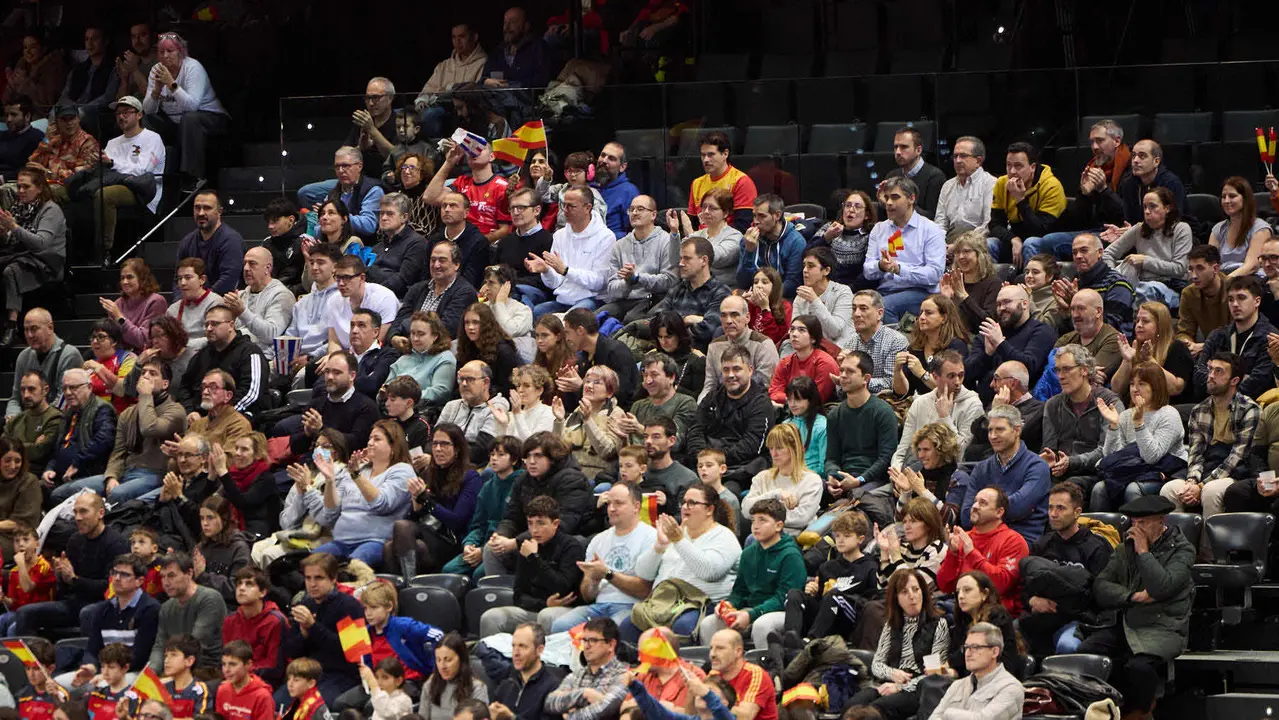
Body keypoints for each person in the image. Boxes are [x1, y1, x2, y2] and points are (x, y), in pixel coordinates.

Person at [1080, 495, 1192, 720]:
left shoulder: (1182, 550)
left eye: (1142, 523)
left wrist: (1143, 552)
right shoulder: (1124, 548)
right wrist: (1132, 596)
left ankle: (1140, 713)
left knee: (1138, 668)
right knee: (1087, 654)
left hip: (1163, 626)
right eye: (1133, 523)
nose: (1135, 529)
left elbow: (1162, 587)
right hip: (1126, 621)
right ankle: (1101, 710)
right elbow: (1101, 587)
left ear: (1161, 521)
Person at [52, 358, 184, 504]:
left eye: (152, 373)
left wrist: (146, 395)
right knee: (61, 493)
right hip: (126, 472)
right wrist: (111, 477)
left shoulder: (175, 411)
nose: (145, 376)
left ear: (165, 384)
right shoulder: (128, 413)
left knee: (116, 494)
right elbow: (118, 452)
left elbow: (149, 428)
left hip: (154, 473)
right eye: (143, 373)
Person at [622, 483, 741, 642]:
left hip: (700, 604)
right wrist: (660, 546)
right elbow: (643, 573)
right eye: (684, 502)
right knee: (628, 625)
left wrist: (678, 540)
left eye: (692, 503)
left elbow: (709, 572)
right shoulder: (675, 533)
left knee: (682, 627)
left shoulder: (723, 537)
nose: (685, 507)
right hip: (663, 602)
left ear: (709, 509)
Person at [1018, 482, 1114, 658]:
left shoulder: (1096, 548)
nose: (1053, 514)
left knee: (1067, 646)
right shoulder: (1042, 544)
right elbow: (1023, 586)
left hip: (1078, 619)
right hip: (1040, 618)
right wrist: (1031, 600)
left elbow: (1103, 596)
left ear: (1077, 512)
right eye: (1050, 508)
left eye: (1061, 508)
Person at [1161, 353, 1260, 517]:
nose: (1211, 376)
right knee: (1169, 490)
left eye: (1219, 371)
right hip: (1206, 469)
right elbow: (1196, 453)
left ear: (1234, 380)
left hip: (1236, 472)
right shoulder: (1199, 410)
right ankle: (1178, 542)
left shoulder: (1250, 410)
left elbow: (1237, 457)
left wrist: (1200, 487)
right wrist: (1192, 481)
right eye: (1211, 369)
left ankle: (1210, 543)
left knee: (1210, 491)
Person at [698, 497, 805, 647]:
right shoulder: (748, 553)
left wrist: (751, 614)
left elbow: (784, 598)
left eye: (762, 520)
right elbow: (739, 591)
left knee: (762, 625)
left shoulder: (790, 555)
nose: (755, 526)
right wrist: (728, 604)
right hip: (751, 609)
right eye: (753, 520)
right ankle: (716, 668)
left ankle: (770, 667)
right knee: (709, 623)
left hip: (782, 612)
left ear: (778, 526)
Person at [483, 432, 593, 574]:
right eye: (528, 456)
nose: (531, 461)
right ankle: (501, 593)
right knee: (491, 549)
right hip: (531, 536)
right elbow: (511, 517)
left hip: (565, 539)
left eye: (538, 456)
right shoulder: (523, 479)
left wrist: (516, 542)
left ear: (552, 458)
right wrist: (500, 537)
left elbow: (564, 524)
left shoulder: (572, 479)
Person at [846, 568, 948, 720]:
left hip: (917, 689)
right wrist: (892, 673)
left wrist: (900, 687)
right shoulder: (891, 625)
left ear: (923, 593)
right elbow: (877, 664)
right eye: (904, 592)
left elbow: (935, 675)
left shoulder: (939, 624)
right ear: (896, 598)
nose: (912, 596)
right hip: (888, 683)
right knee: (852, 706)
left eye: (916, 590)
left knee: (874, 711)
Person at [1023, 119, 1131, 261]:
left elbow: (1126, 214)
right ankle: (1039, 282)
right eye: (1092, 142)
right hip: (1094, 230)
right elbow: (1080, 219)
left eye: (1100, 141)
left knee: (1049, 241)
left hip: (1118, 232)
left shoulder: (1130, 169)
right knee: (1032, 242)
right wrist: (1084, 194)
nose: (1095, 147)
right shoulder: (1093, 167)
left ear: (1117, 141)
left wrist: (1104, 190)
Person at [479, 494, 586, 635]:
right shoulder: (527, 546)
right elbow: (518, 596)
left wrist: (534, 558)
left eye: (540, 523)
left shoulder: (571, 546)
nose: (534, 530)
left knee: (547, 616)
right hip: (538, 608)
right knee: (491, 617)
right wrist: (544, 604)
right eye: (530, 523)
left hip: (566, 610)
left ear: (555, 524)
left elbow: (562, 587)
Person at [312, 419, 413, 566]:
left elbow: (381, 504)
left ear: (393, 445)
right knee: (311, 566)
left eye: (377, 439)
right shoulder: (360, 470)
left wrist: (356, 476)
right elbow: (331, 514)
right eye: (370, 438)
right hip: (341, 542)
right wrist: (330, 480)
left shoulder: (402, 470)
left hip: (375, 542)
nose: (370, 442)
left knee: (353, 568)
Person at [387, 423, 482, 579]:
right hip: (427, 533)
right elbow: (414, 518)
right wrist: (416, 502)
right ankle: (403, 590)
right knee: (390, 546)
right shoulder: (428, 474)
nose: (438, 449)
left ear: (457, 449)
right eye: (435, 444)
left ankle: (408, 585)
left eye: (444, 444)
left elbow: (457, 521)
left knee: (403, 530)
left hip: (452, 541)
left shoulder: (471, 478)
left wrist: (425, 499)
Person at [1094, 361, 1188, 511]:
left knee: (1133, 489)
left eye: (1142, 384)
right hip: (1133, 470)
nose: (1135, 389)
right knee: (1099, 489)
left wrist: (1139, 424)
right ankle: (1103, 533)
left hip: (1163, 472)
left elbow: (1152, 457)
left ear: (1156, 387)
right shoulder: (1125, 415)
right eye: (1132, 384)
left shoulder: (1168, 414)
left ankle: (1140, 532)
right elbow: (1112, 457)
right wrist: (1113, 426)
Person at [82, 96, 165, 260]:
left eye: (127, 112)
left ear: (139, 115)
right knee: (85, 190)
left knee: (105, 195)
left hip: (143, 190)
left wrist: (112, 163)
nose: (121, 117)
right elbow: (108, 171)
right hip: (118, 183)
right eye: (118, 113)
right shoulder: (113, 142)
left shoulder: (152, 138)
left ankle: (103, 251)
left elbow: (142, 171)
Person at [140, 32, 228, 186]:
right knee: (146, 120)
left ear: (180, 52)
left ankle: (192, 177)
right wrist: (156, 91)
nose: (165, 56)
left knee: (190, 118)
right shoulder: (156, 70)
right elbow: (148, 110)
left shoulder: (193, 67)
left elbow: (192, 106)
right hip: (176, 122)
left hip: (210, 117)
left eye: (170, 51)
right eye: (161, 52)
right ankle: (148, 172)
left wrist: (171, 84)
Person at [279, 553, 367, 704]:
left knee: (310, 708)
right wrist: (303, 634)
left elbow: (354, 654)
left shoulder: (349, 606)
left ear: (333, 579)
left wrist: (313, 627)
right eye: (308, 578)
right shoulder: (305, 605)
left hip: (341, 676)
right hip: (307, 674)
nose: (312, 584)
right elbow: (291, 651)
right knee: (275, 705)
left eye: (319, 578)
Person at [1039, 343, 1122, 496]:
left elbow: (1107, 451)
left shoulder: (1109, 402)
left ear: (1084, 370)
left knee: (1066, 489)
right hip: (1061, 472)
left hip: (1095, 473)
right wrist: (1051, 459)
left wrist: (1071, 462)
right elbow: (1049, 447)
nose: (1061, 376)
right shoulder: (1053, 405)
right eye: (1058, 370)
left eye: (1067, 369)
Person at [685, 346, 774, 488]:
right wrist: (703, 458)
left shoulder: (761, 403)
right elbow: (695, 429)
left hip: (738, 471)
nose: (731, 375)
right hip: (704, 465)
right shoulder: (712, 397)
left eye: (737, 369)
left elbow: (752, 445)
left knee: (727, 493)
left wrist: (715, 460)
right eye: (726, 370)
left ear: (750, 370)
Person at [959, 406, 1050, 543]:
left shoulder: (1037, 466)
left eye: (1000, 429)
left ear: (1017, 430)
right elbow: (966, 516)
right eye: (990, 430)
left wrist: (980, 511)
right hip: (982, 540)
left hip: (1020, 541)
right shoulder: (981, 468)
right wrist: (999, 510)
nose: (993, 436)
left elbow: (1018, 507)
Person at [68, 554, 160, 688]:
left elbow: (140, 656)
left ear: (139, 581)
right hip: (105, 671)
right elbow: (92, 648)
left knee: (101, 686)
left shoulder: (150, 609)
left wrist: (107, 673)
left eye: (124, 574)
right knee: (59, 685)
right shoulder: (101, 609)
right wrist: (90, 667)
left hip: (133, 673)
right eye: (115, 572)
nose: (116, 578)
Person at [861, 177, 945, 322]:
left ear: (911, 198)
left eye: (895, 197)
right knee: (859, 305)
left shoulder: (931, 229)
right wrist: (880, 266)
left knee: (883, 307)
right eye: (886, 198)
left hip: (920, 292)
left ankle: (898, 345)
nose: (888, 203)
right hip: (884, 291)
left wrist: (899, 269)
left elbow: (935, 274)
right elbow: (867, 270)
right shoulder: (879, 228)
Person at [523, 187, 615, 318]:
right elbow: (555, 283)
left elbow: (599, 283)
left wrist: (566, 270)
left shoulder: (606, 237)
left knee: (570, 319)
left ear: (588, 208)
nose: (565, 210)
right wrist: (546, 271)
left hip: (592, 299)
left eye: (571, 206)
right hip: (564, 298)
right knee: (537, 313)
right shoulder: (559, 235)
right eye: (563, 205)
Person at [0, 168, 67, 342]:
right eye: (19, 186)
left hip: (47, 262)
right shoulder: (17, 207)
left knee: (11, 271)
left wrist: (13, 227)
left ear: (39, 188)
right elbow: (11, 242)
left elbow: (40, 244)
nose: (21, 191)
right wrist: (4, 233)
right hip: (22, 255)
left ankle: (12, 325)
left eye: (26, 187)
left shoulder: (51, 210)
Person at [937, 487, 1029, 614]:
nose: (974, 506)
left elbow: (1000, 586)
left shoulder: (1013, 541)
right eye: (975, 501)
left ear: (999, 512)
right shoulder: (965, 537)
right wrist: (952, 553)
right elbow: (945, 585)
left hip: (996, 614)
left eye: (983, 503)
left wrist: (971, 553)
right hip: (961, 610)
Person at [964, 285, 1057, 402]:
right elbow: (967, 374)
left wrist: (1000, 344)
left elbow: (1029, 368)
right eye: (998, 304)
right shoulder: (988, 332)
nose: (1002, 308)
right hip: (983, 404)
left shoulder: (1041, 331)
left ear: (1024, 304)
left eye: (1007, 302)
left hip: (1023, 406)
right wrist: (987, 355)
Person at [892, 350, 983, 469]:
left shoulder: (973, 405)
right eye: (951, 376)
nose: (957, 382)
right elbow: (903, 449)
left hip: (950, 476)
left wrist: (944, 417)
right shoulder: (920, 403)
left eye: (960, 375)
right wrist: (896, 472)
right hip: (914, 471)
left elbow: (961, 453)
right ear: (935, 377)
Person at [825, 351, 898, 499]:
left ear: (866, 378)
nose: (843, 376)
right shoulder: (835, 414)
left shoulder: (883, 412)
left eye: (850, 371)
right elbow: (832, 458)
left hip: (872, 480)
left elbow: (885, 458)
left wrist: (859, 480)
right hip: (844, 478)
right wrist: (832, 476)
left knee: (858, 496)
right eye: (842, 370)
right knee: (813, 488)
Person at [1103, 187, 1191, 307]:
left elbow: (1179, 268)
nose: (1147, 211)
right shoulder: (1139, 229)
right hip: (1139, 284)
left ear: (1167, 208)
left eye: (1152, 206)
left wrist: (1145, 261)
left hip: (1170, 286)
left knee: (1146, 289)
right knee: (1127, 268)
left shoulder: (1181, 229)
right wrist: (1113, 275)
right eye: (1144, 207)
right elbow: (1107, 253)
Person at [175, 305, 271, 416]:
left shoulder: (250, 353)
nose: (209, 329)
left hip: (238, 418)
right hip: (201, 418)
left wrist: (218, 417)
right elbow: (184, 388)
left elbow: (251, 394)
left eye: (215, 324)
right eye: (206, 325)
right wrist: (190, 412)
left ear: (231, 325)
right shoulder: (202, 354)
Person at [1194, 275, 1276, 400]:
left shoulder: (1270, 338)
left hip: (1252, 408)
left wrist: (1218, 383)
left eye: (1241, 298)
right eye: (1231, 299)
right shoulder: (1218, 335)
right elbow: (1199, 374)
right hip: (1212, 404)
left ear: (1257, 301)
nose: (1235, 304)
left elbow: (1257, 383)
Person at [986, 142, 1067, 267]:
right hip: (1016, 240)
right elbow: (995, 224)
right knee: (990, 243)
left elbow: (1041, 231)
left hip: (1045, 241)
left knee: (1031, 242)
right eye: (1008, 165)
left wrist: (1020, 200)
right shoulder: (1002, 183)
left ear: (1032, 167)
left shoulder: (1051, 186)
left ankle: (1030, 284)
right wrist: (1013, 239)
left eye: (1018, 166)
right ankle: (991, 285)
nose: (1012, 171)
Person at [1034, 288, 1122, 399]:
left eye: (1081, 308)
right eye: (1072, 309)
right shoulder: (1066, 339)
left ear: (1098, 312)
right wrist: (1079, 373)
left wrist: (1074, 373)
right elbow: (1051, 371)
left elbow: (1089, 381)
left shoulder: (1113, 339)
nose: (1075, 315)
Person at [148, 551, 228, 671]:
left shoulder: (209, 599)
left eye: (171, 575)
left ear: (190, 573)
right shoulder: (166, 607)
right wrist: (152, 674)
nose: (165, 582)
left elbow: (195, 643)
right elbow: (160, 646)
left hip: (207, 669)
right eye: (162, 576)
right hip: (177, 668)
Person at [602, 195, 676, 322]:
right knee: (594, 318)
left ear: (653, 215)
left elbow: (669, 281)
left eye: (640, 209)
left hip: (653, 299)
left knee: (630, 320)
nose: (634, 213)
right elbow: (612, 289)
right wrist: (628, 282)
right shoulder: (619, 245)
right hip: (625, 299)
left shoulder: (666, 241)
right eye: (631, 209)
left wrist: (637, 278)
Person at [928, 622, 1025, 720]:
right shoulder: (957, 685)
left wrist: (948, 714)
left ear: (995, 652)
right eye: (966, 647)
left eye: (975, 647)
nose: (968, 654)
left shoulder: (1011, 688)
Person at [43, 368, 116, 493]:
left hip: (87, 472)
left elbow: (103, 441)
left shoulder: (102, 409)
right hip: (62, 474)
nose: (68, 392)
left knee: (58, 494)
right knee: (33, 487)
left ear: (89, 387)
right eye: (65, 388)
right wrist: (50, 468)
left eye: (73, 387)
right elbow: (59, 446)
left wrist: (77, 463)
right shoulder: (69, 412)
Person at [742, 425, 823, 535]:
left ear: (794, 449)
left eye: (779, 448)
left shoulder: (812, 481)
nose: (774, 454)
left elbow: (801, 518)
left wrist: (764, 518)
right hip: (762, 535)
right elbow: (746, 510)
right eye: (771, 448)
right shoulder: (762, 478)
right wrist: (776, 494)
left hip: (794, 539)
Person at [1111, 301, 1195, 406]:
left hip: (1168, 410)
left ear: (1160, 325)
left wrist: (1150, 360)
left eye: (1145, 321)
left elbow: (1175, 389)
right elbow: (1116, 389)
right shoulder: (1133, 346)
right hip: (1135, 410)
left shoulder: (1176, 348)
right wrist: (1127, 360)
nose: (1139, 325)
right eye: (1137, 321)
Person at [426, 143, 512, 244]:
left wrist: (479, 242)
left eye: (480, 148)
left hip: (486, 246)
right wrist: (449, 162)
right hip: (456, 242)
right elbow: (429, 197)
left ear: (491, 157)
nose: (474, 151)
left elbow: (506, 230)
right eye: (471, 150)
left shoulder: (503, 187)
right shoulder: (461, 182)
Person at [545, 617, 629, 720]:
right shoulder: (577, 674)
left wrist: (570, 714)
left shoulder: (622, 676)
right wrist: (585, 694)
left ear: (611, 645)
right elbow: (549, 702)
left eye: (593, 640)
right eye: (584, 640)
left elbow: (606, 709)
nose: (586, 646)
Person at [394, 241, 479, 340]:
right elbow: (399, 320)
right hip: (405, 345)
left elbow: (446, 329)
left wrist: (408, 328)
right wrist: (394, 337)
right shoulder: (417, 289)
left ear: (456, 264)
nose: (436, 265)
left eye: (442, 260)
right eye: (433, 260)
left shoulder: (465, 293)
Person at [947, 572, 1025, 679]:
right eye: (958, 592)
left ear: (984, 593)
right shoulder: (963, 622)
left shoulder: (998, 617)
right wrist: (952, 672)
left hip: (998, 680)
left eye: (967, 590)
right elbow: (956, 656)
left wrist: (951, 665)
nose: (960, 596)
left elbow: (980, 655)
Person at [224, 246, 296, 361]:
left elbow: (271, 334)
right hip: (236, 353)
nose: (246, 268)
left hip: (262, 358)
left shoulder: (282, 295)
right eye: (245, 263)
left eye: (252, 264)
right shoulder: (241, 295)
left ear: (267, 268)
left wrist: (242, 312)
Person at [892, 294, 969, 400]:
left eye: (928, 313)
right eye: (921, 313)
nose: (921, 317)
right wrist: (897, 371)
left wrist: (922, 373)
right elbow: (901, 393)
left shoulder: (956, 346)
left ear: (944, 318)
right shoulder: (915, 349)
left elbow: (952, 390)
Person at [1053, 232, 1135, 330]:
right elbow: (1069, 331)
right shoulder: (1074, 283)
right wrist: (1066, 312)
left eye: (1084, 251)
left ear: (1100, 252)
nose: (1078, 256)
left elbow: (1109, 328)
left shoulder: (1118, 284)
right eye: (1074, 253)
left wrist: (1078, 304)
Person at [222, 567, 288, 687]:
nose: (241, 588)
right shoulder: (230, 620)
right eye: (239, 584)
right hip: (234, 677)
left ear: (262, 592)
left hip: (267, 681)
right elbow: (227, 656)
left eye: (249, 584)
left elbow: (275, 667)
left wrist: (241, 671)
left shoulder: (276, 621)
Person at [414, 22, 488, 130]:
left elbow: (475, 93)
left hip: (461, 112)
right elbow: (428, 88)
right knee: (404, 114)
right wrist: (422, 100)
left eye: (462, 37)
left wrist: (448, 89)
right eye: (454, 37)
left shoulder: (483, 63)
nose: (457, 42)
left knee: (430, 114)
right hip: (436, 106)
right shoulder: (444, 65)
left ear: (474, 37)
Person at [489, 623, 568, 720]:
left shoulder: (553, 687)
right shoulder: (507, 684)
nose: (516, 653)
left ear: (539, 650)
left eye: (522, 646)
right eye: (514, 646)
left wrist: (512, 718)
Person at [173, 190, 244, 295]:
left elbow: (228, 280)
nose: (201, 213)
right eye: (197, 208)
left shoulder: (231, 240)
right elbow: (177, 278)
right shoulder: (187, 242)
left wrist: (202, 301)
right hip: (192, 303)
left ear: (219, 211)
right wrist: (180, 303)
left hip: (222, 304)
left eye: (207, 208)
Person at [736, 194, 805, 298]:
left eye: (762, 216)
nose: (755, 222)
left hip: (782, 299)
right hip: (752, 296)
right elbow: (742, 282)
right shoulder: (748, 240)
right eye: (754, 215)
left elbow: (792, 283)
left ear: (777, 215)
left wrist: (764, 297)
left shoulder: (796, 242)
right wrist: (749, 252)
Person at [688, 131, 757, 231]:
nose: (705, 160)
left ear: (725, 153)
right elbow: (693, 222)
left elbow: (743, 225)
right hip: (701, 241)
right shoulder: (696, 183)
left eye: (711, 154)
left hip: (730, 240)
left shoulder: (741, 181)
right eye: (703, 155)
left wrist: (714, 237)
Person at [326, 256, 399, 350]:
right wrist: (336, 358)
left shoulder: (384, 298)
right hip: (343, 357)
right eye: (338, 277)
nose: (341, 283)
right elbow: (333, 341)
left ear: (362, 278)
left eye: (347, 278)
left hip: (373, 357)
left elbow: (377, 343)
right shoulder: (333, 300)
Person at [892, 424, 964, 516]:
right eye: (919, 450)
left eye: (926, 449)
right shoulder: (917, 477)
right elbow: (900, 521)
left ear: (942, 450)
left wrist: (922, 491)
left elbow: (950, 519)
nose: (920, 455)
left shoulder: (958, 479)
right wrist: (906, 493)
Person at [388, 311, 457, 408]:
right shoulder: (403, 359)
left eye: (421, 334)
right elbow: (385, 388)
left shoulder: (444, 358)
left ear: (435, 336)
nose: (415, 338)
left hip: (424, 412)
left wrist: (406, 400)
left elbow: (441, 392)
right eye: (412, 333)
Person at [27, 104, 99, 196]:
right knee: (9, 189)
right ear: (56, 123)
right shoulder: (53, 140)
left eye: (72, 118)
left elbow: (82, 174)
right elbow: (33, 163)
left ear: (78, 120)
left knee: (40, 192)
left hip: (71, 188)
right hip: (47, 183)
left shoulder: (87, 142)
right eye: (64, 119)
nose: (69, 123)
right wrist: (46, 140)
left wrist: (48, 173)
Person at [933, 136, 996, 240]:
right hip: (950, 239)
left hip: (977, 242)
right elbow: (940, 222)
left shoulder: (990, 183)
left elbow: (988, 224)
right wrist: (940, 243)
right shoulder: (947, 186)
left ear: (978, 161)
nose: (957, 161)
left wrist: (961, 244)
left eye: (963, 156)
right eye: (955, 156)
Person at [1210, 176, 1273, 277]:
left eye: (1232, 196)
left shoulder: (1260, 229)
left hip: (1249, 279)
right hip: (1222, 278)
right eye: (1223, 196)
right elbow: (1210, 263)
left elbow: (1251, 266)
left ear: (1245, 199)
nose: (1226, 201)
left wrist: (1224, 282)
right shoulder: (1218, 228)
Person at [101, 259, 167, 354]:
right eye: (122, 278)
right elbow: (112, 341)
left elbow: (144, 341)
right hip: (120, 357)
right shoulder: (118, 303)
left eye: (129, 277)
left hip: (145, 358)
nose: (125, 282)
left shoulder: (156, 301)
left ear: (142, 278)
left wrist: (120, 318)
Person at [940, 230, 1000, 331]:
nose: (961, 257)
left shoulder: (994, 284)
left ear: (980, 254)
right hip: (949, 335)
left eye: (966, 251)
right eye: (957, 253)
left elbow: (987, 323)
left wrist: (964, 296)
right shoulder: (951, 281)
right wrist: (945, 300)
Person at [769, 316, 838, 404]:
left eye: (801, 330)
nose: (794, 334)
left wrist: (788, 399)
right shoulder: (785, 362)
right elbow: (774, 393)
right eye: (792, 329)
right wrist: (791, 400)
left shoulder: (825, 363)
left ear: (813, 338)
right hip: (789, 410)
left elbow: (816, 399)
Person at [427, 192, 489, 289]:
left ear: (466, 212)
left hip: (462, 294)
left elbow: (471, 280)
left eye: (453, 206)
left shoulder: (478, 242)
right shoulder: (435, 239)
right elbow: (424, 274)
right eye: (444, 206)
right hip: (432, 290)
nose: (447, 210)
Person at [458, 303, 520, 398]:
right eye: (467, 322)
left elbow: (508, 389)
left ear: (486, 325)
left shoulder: (504, 351)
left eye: (476, 322)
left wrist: (478, 390)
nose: (470, 327)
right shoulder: (466, 348)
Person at [4, 370, 62, 472]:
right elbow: (2, 448)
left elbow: (39, 452)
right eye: (22, 390)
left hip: (36, 476)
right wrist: (32, 445)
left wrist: (13, 445)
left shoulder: (55, 418)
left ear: (45, 390)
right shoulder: (16, 420)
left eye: (31, 389)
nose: (26, 395)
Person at [1177, 244, 1229, 354]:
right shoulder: (1189, 293)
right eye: (1191, 269)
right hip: (1205, 351)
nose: (1194, 276)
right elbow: (1184, 331)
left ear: (1215, 268)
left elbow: (1239, 335)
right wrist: (1188, 344)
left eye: (1200, 268)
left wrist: (1205, 346)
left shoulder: (1234, 289)